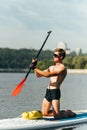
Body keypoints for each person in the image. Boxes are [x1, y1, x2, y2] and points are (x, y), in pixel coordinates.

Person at [31, 48, 67, 119]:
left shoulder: (62, 68)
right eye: (53, 55)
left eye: (55, 55)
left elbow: (48, 75)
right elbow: (38, 75)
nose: (53, 56)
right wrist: (35, 66)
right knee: (44, 113)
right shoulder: (51, 67)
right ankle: (58, 112)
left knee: (57, 117)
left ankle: (68, 113)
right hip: (48, 91)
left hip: (55, 92)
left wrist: (35, 68)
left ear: (61, 57)